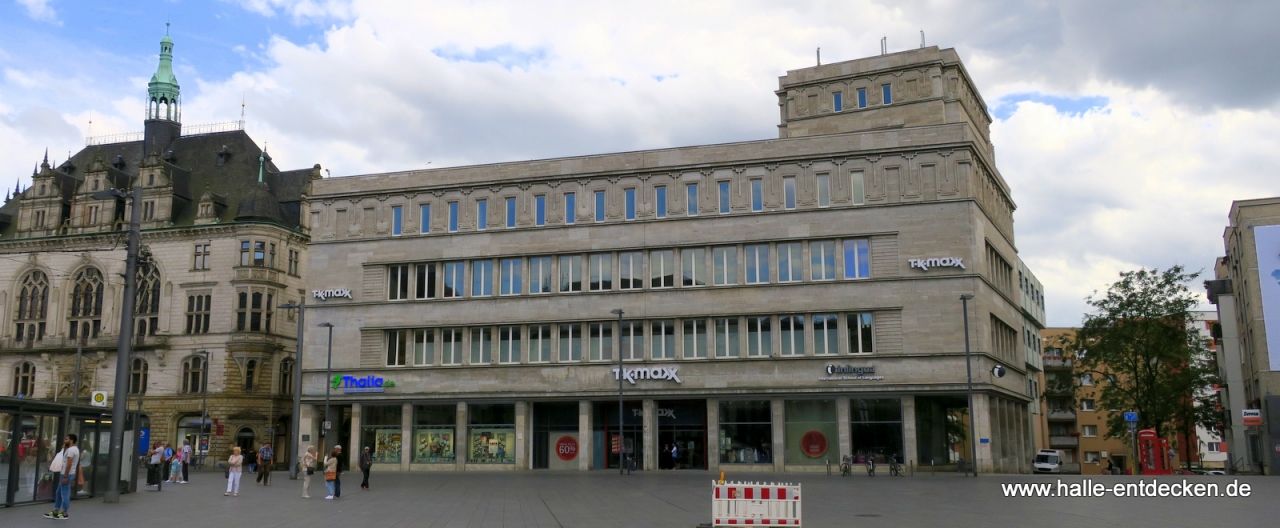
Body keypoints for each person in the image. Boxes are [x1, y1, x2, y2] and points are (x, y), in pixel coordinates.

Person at [43, 433, 79, 520]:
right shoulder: (72, 449)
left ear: (71, 440)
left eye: (67, 439)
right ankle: (56, 510)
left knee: (64, 493)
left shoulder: (71, 450)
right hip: (67, 473)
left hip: (67, 474)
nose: (65, 441)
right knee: (58, 492)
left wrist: (65, 476)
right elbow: (64, 462)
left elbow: (69, 464)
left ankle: (65, 512)